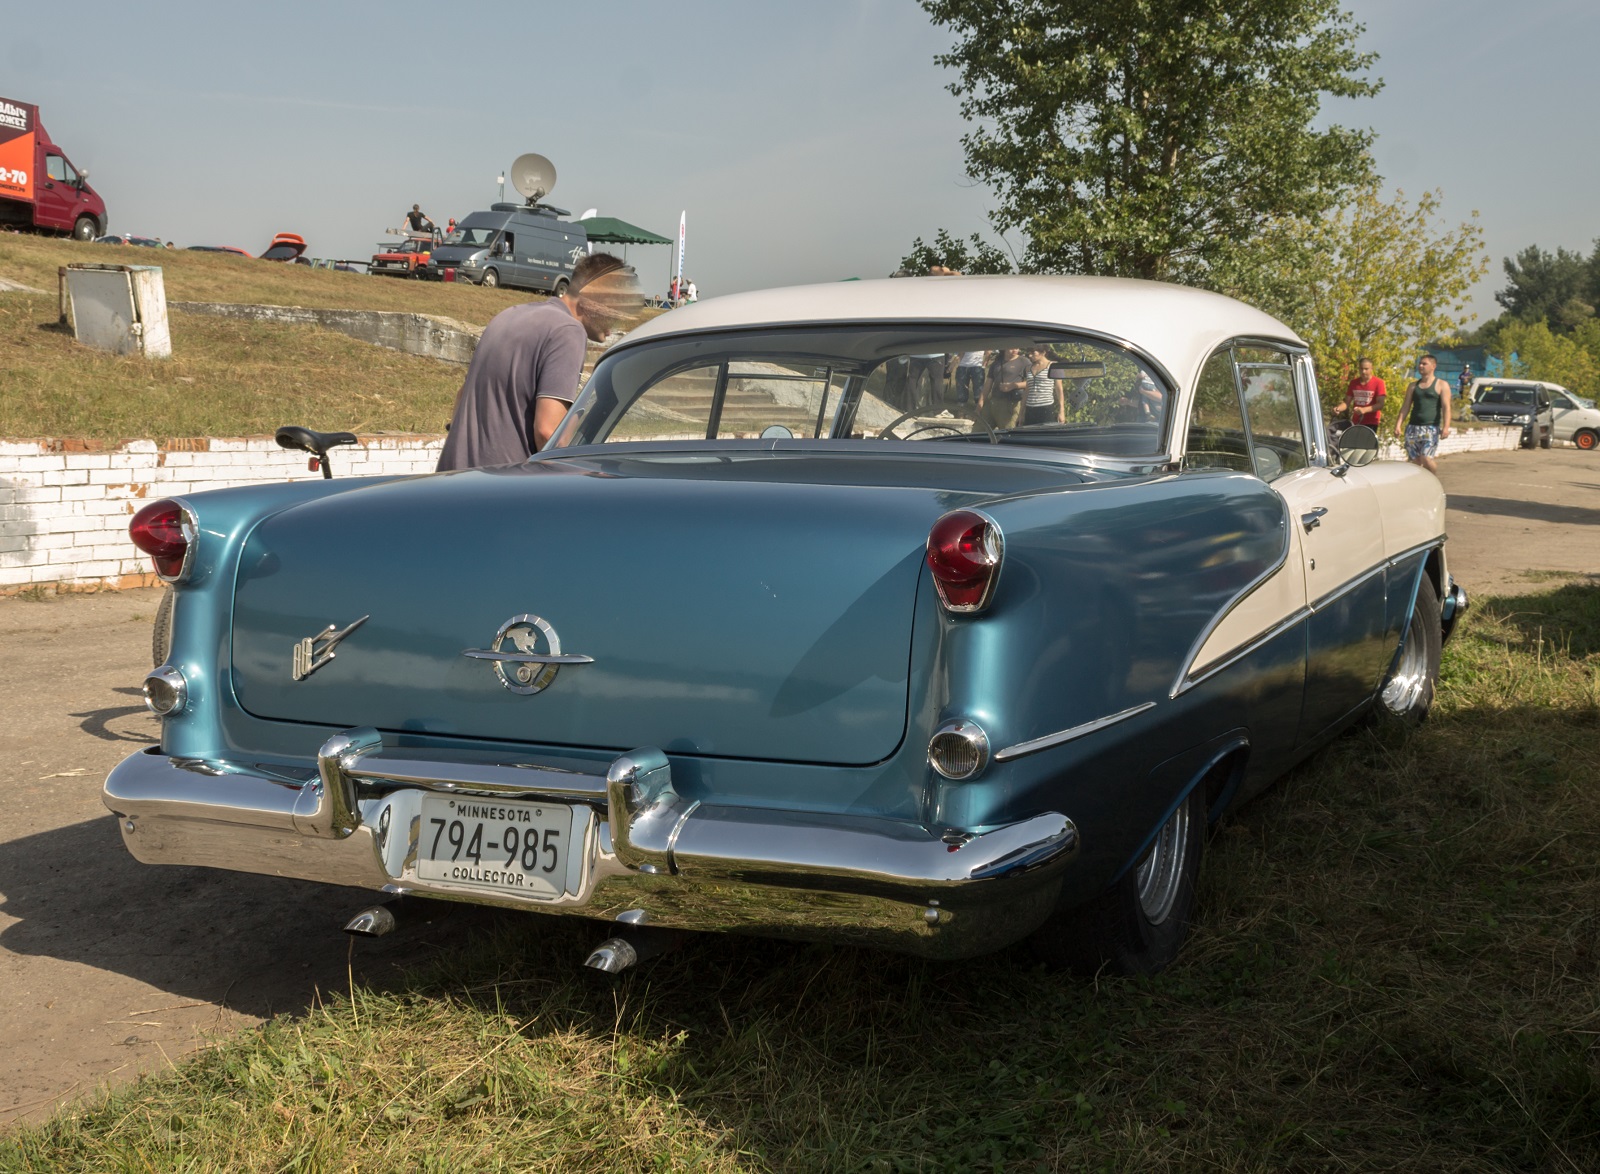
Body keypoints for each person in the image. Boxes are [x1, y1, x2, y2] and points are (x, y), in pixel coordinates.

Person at [435, 253, 637, 471]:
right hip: (504, 489)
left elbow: (462, 395)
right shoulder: (568, 331)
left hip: (452, 479)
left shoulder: (509, 315)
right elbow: (547, 433)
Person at [1392, 353, 1452, 473]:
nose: (1421, 366)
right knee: (1415, 461)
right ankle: (1422, 485)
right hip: (1413, 427)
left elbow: (1446, 407)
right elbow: (1406, 406)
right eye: (1420, 363)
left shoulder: (1441, 385)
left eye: (1424, 364)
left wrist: (1446, 427)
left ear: (1433, 366)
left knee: (1426, 457)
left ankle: (1434, 480)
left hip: (1430, 428)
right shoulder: (1413, 386)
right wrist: (1398, 424)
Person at [978, 347, 1028, 428]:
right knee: (979, 430)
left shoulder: (1024, 361)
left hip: (1011, 403)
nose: (1015, 350)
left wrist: (1013, 385)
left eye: (1017, 348)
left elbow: (1032, 382)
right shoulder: (996, 363)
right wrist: (979, 405)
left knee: (1007, 432)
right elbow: (987, 385)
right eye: (1012, 347)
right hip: (993, 402)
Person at [1335, 355, 1387, 429]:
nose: (1363, 371)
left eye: (1366, 369)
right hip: (1356, 421)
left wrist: (1364, 410)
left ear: (1371, 369)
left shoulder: (1379, 383)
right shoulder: (1354, 383)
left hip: (1371, 423)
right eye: (1361, 369)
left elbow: (1380, 404)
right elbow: (1347, 402)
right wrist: (1338, 408)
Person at [1021, 347, 1064, 426]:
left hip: (1046, 407)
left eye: (1033, 353)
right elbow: (1026, 391)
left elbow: (1059, 389)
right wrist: (1021, 413)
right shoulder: (1028, 368)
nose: (1030, 355)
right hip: (1030, 408)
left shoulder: (1054, 366)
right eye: (1029, 353)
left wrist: (1061, 410)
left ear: (1043, 352)